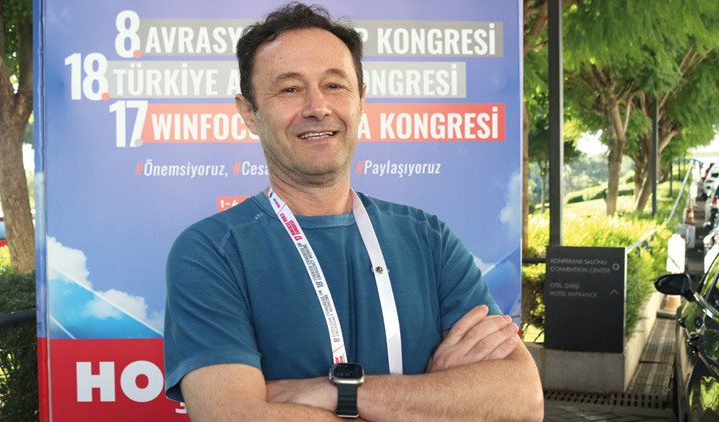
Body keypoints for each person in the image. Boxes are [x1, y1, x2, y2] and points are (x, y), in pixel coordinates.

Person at [164, 3, 544, 420]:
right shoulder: (212, 252)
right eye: (289, 89)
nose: (317, 107)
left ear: (361, 101)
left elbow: (523, 400)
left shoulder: (428, 240)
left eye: (334, 85)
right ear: (249, 113)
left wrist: (334, 393)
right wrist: (434, 399)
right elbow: (235, 417)